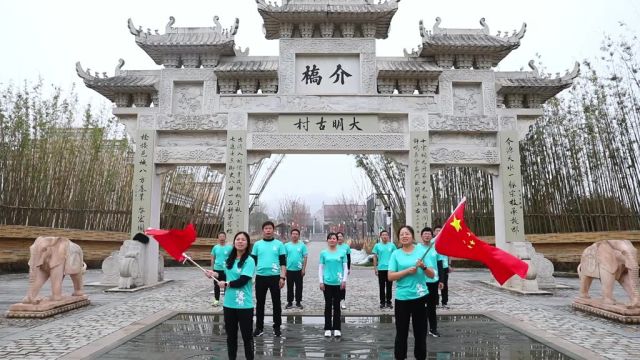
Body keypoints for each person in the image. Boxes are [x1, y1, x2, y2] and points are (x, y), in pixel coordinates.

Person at [207, 231, 255, 360]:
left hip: (244, 305)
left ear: (247, 243)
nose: (240, 241)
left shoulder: (250, 260)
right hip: (229, 304)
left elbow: (243, 280)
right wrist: (213, 274)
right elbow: (223, 275)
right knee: (231, 337)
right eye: (237, 239)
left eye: (243, 239)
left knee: (247, 337)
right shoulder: (230, 259)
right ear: (234, 242)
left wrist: (227, 284)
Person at [388, 225, 435, 360]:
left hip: (420, 297)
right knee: (401, 333)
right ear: (399, 238)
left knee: (420, 333)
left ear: (412, 236)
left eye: (407, 234)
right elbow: (390, 276)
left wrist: (423, 266)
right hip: (402, 299)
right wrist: (406, 271)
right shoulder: (396, 254)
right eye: (402, 234)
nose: (404, 236)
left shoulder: (421, 251)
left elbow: (432, 275)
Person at [251, 221, 286, 337]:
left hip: (275, 277)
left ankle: (277, 327)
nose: (268, 230)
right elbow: (252, 262)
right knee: (260, 303)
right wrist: (251, 277)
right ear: (263, 230)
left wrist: (282, 277)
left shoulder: (279, 244)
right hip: (260, 277)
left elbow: (283, 262)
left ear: (273, 230)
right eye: (266, 228)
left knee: (277, 303)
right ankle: (259, 327)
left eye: (270, 228)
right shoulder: (257, 245)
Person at [319, 232, 348, 338]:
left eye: (334, 238)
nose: (332, 240)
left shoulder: (342, 252)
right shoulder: (323, 253)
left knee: (337, 306)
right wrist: (321, 281)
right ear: (327, 240)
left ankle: (337, 328)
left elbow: (345, 268)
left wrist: (344, 280)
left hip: (338, 283)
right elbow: (320, 268)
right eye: (330, 238)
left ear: (337, 240)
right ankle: (327, 327)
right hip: (327, 283)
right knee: (328, 306)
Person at [419, 227, 442, 337]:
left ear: (432, 236)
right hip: (421, 281)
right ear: (421, 236)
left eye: (429, 234)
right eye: (425, 234)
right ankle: (421, 328)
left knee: (432, 307)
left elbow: (440, 264)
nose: (427, 236)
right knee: (420, 307)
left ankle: (433, 329)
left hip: (433, 280)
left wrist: (441, 280)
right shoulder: (417, 248)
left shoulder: (435, 248)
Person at [372, 230, 397, 309]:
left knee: (389, 286)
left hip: (390, 269)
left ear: (388, 236)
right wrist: (375, 268)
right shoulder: (377, 246)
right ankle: (382, 302)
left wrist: (396, 267)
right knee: (382, 286)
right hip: (381, 269)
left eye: (386, 235)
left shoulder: (392, 245)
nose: (385, 236)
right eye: (383, 235)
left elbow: (396, 256)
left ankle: (389, 302)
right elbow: (375, 257)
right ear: (381, 236)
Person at [284, 228, 308, 309]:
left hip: (299, 270)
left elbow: (305, 257)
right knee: (289, 286)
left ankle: (298, 302)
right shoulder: (286, 245)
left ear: (299, 235)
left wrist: (303, 269)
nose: (294, 235)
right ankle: (289, 302)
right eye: (293, 234)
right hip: (289, 270)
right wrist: (284, 270)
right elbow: (284, 257)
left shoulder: (302, 245)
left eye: (296, 234)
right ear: (291, 235)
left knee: (299, 286)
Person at [210, 231, 232, 306]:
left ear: (225, 238)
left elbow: (232, 258)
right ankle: (216, 300)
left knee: (227, 285)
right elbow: (212, 258)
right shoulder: (215, 247)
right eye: (220, 237)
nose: (222, 238)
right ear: (218, 238)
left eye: (223, 236)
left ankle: (227, 300)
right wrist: (212, 269)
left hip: (226, 270)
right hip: (217, 270)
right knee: (216, 285)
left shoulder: (229, 247)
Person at [434, 225, 451, 309]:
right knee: (434, 285)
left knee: (444, 285)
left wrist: (449, 265)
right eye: (437, 230)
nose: (438, 232)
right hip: (434, 267)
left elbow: (449, 254)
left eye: (440, 230)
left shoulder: (446, 241)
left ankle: (444, 301)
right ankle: (435, 301)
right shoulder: (432, 242)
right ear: (434, 232)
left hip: (444, 267)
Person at [336, 231, 351, 309]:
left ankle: (342, 301)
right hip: (335, 268)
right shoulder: (333, 246)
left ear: (343, 237)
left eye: (341, 236)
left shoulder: (346, 247)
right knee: (334, 285)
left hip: (343, 268)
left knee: (342, 285)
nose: (339, 238)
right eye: (338, 236)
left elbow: (349, 258)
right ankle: (335, 301)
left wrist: (348, 268)